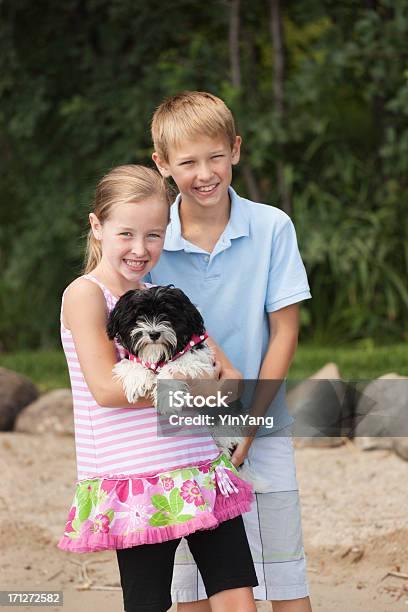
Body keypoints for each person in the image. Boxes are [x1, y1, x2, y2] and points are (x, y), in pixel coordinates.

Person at [57, 164, 258, 612]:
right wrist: (194, 389)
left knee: (237, 595)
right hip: (136, 479)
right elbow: (108, 391)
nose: (140, 248)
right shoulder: (85, 295)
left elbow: (230, 379)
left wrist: (208, 388)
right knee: (149, 602)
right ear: (97, 227)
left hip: (198, 467)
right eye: (125, 233)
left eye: (153, 234)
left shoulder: (164, 301)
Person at [149, 91, 313, 612]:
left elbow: (284, 331)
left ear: (236, 150)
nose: (205, 173)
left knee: (284, 581)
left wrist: (252, 423)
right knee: (196, 589)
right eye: (187, 162)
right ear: (162, 164)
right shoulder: (151, 241)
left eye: (215, 156)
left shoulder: (271, 227)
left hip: (264, 421)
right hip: (180, 435)